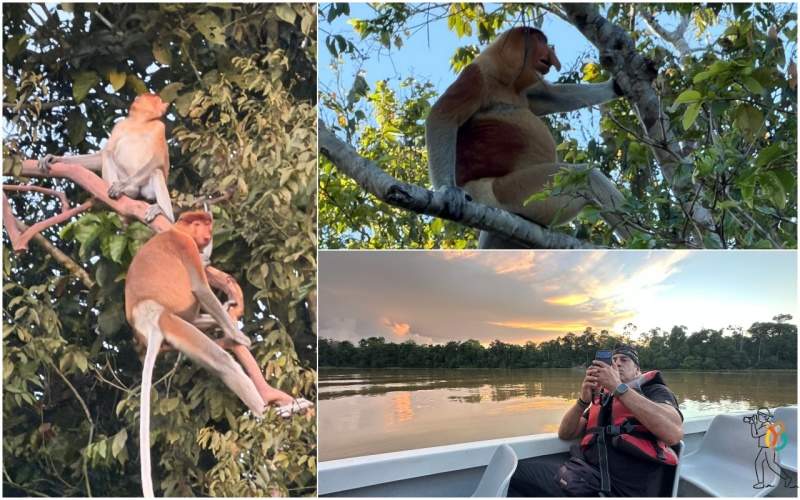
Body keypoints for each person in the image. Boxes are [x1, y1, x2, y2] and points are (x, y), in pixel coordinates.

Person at [508, 345, 684, 497]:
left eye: (624, 360)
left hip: (620, 490)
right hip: (587, 478)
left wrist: (617, 387)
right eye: (614, 360)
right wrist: (582, 401)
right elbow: (566, 433)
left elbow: (674, 433)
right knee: (515, 470)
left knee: (515, 474)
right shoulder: (603, 398)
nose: (617, 363)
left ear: (638, 371)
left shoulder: (654, 390)